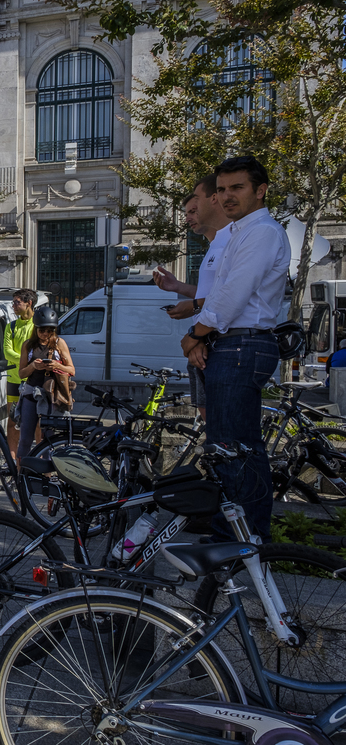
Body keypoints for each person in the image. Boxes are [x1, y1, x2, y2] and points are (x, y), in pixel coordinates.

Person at [180, 155, 289, 541]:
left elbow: (231, 295)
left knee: (233, 447)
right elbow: (219, 295)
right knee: (230, 445)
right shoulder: (242, 231)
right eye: (222, 189)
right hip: (233, 343)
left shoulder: (262, 231)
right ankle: (239, 532)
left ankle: (242, 537)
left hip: (243, 344)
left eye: (236, 188)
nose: (226, 196)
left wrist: (196, 332)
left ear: (260, 191)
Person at [154, 174, 231, 420]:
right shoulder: (214, 246)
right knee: (208, 420)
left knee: (220, 424)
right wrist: (178, 286)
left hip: (219, 341)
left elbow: (233, 296)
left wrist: (197, 333)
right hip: (209, 340)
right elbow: (212, 294)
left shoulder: (232, 240)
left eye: (193, 209)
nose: (188, 217)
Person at [15, 306, 75, 463]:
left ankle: (47, 477)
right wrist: (33, 366)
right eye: (42, 330)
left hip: (52, 397)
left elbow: (71, 370)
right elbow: (21, 373)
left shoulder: (59, 343)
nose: (45, 334)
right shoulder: (28, 345)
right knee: (25, 439)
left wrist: (56, 365)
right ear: (36, 329)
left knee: (49, 439)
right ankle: (20, 476)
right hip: (31, 393)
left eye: (49, 331)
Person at [3, 289, 36, 462]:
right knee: (12, 421)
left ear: (29, 303)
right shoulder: (12, 326)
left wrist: (26, 363)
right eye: (14, 302)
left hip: (33, 381)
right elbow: (7, 352)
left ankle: (37, 458)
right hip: (14, 380)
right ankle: (13, 459)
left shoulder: (38, 326)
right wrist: (25, 361)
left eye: (17, 302)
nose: (14, 306)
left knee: (36, 424)